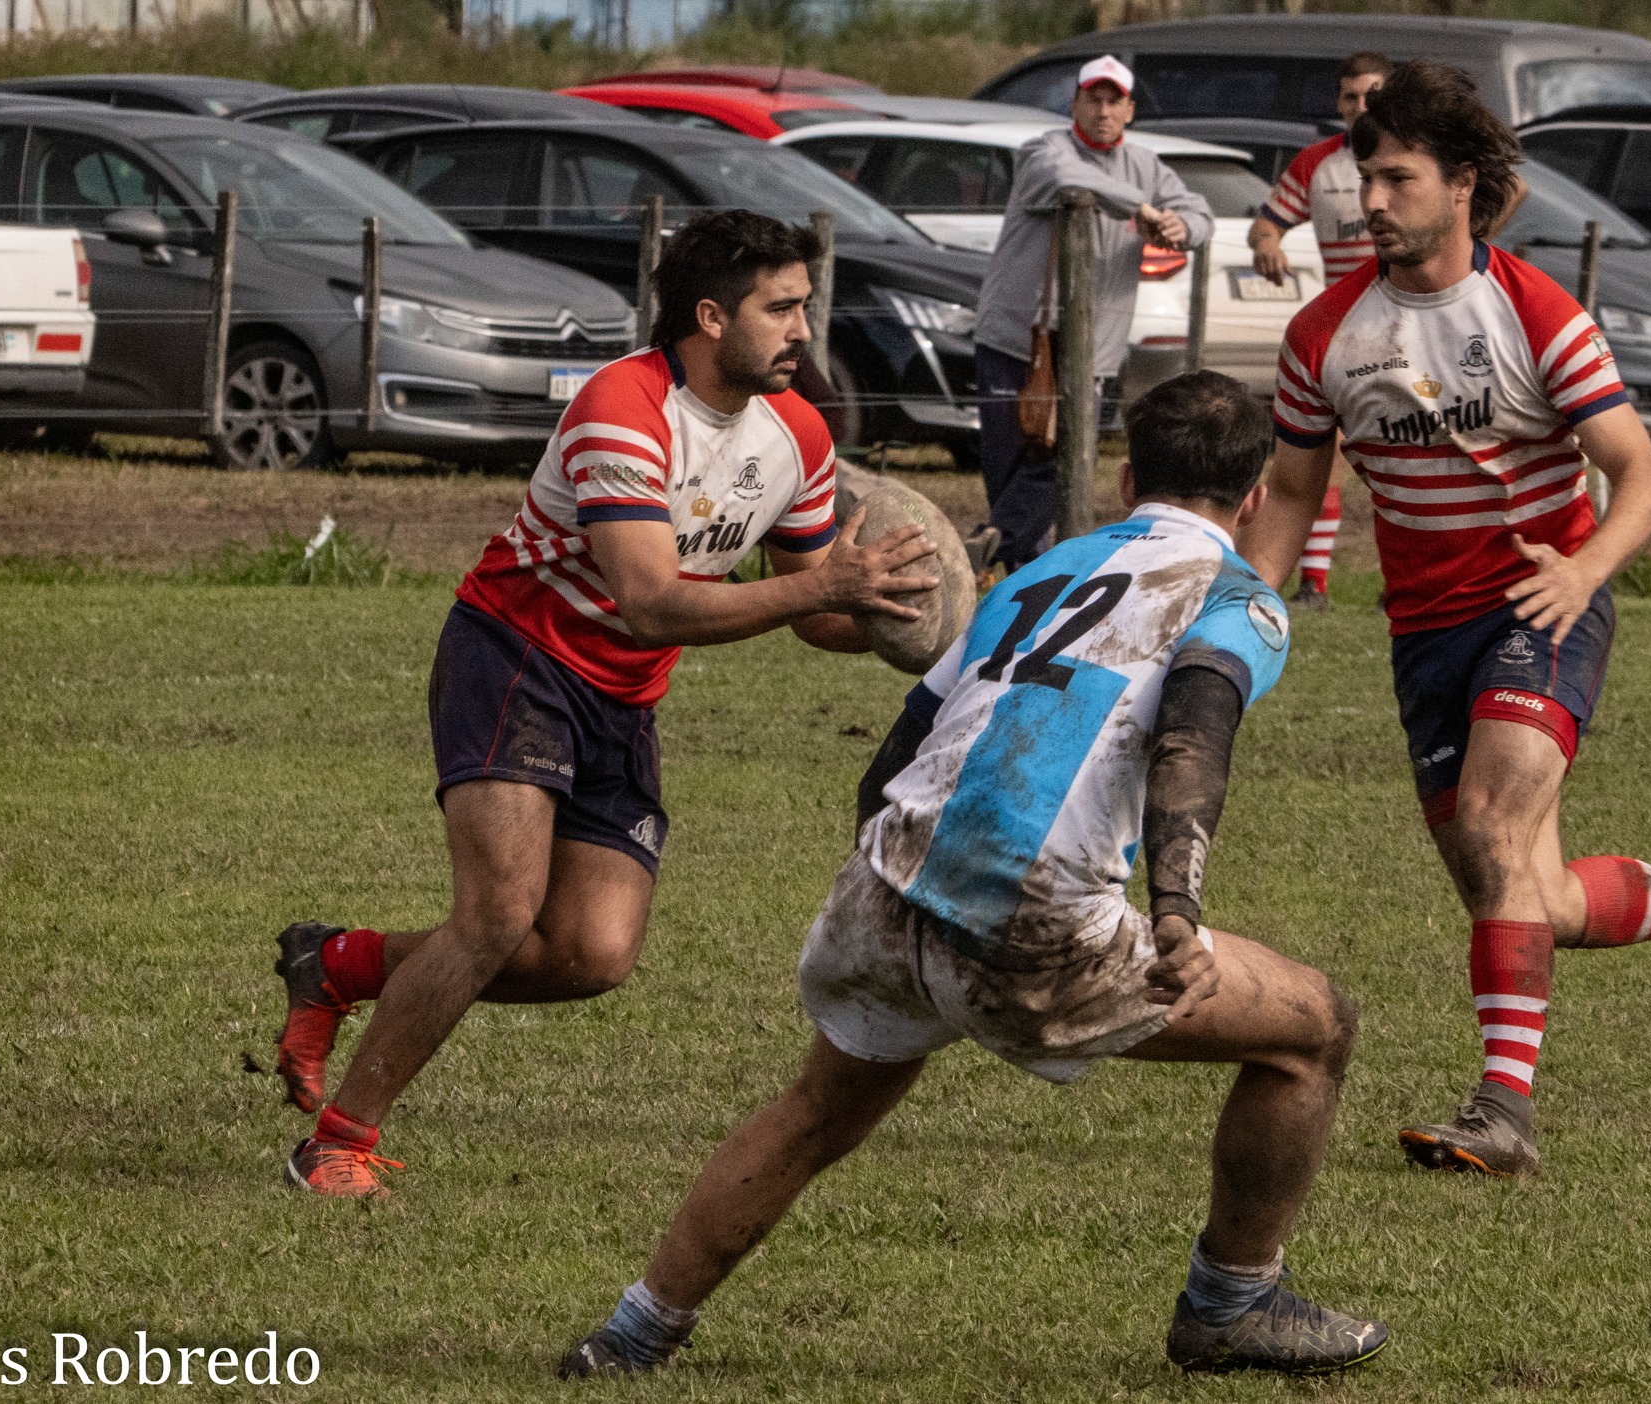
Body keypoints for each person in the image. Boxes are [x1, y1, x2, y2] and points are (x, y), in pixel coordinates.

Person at [562, 371, 1387, 1380]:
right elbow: (1194, 733)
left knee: (815, 1109)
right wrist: (1173, 908)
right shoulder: (1236, 598)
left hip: (887, 881)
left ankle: (633, 1333)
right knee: (1314, 1030)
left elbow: (903, 744)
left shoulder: (1036, 575)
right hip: (1030, 926)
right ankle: (1228, 1307)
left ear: (1126, 475)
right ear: (1254, 497)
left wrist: (893, 881)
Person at [270, 210, 942, 1198]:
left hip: (622, 695)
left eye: (806, 306)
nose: (804, 329)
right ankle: (337, 1142)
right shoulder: (621, 408)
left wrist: (900, 622)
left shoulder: (796, 431)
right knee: (496, 912)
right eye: (781, 308)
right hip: (516, 657)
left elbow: (810, 604)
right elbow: (651, 599)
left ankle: (336, 964)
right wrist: (825, 588)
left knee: (590, 954)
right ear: (710, 317)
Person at [1243, 61, 1651, 1177]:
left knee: (1500, 830)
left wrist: (1583, 569)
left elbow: (1637, 478)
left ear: (1461, 184)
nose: (1368, 201)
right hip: (1422, 635)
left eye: (1396, 178)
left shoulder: (1533, 313)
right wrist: (1237, 616)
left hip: (1537, 604)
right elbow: (1298, 495)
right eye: (1363, 177)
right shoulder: (1322, 335)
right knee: (1525, 895)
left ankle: (1501, 1112)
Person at [970, 55, 1213, 575]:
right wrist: (1140, 208)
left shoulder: (1147, 166)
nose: (1102, 110)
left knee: (1063, 463)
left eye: (1113, 101)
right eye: (1092, 99)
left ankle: (994, 552)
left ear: (1129, 109)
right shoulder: (1044, 150)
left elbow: (1200, 213)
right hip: (1017, 339)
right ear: (1075, 104)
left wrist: (1177, 227)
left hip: (1091, 349)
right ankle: (1018, 565)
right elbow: (1068, 180)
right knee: (1011, 464)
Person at [1249, 50, 1391, 611]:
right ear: (1338, 102)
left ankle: (1404, 582)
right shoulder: (1317, 164)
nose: (1360, 107)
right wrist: (1268, 245)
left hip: (1413, 323)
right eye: (1351, 97)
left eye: (1373, 96)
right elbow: (1266, 224)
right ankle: (1315, 585)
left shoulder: (1415, 157)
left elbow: (1507, 194)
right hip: (1348, 329)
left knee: (1405, 457)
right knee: (1323, 451)